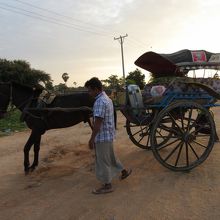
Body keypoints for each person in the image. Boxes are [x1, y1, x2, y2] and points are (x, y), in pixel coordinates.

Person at [84, 77, 132, 195]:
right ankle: (123, 172)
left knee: (102, 161)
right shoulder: (107, 99)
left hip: (102, 136)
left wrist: (92, 139)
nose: (89, 93)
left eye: (90, 90)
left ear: (96, 89)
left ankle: (107, 185)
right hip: (108, 134)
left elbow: (98, 123)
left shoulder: (100, 102)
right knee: (111, 156)